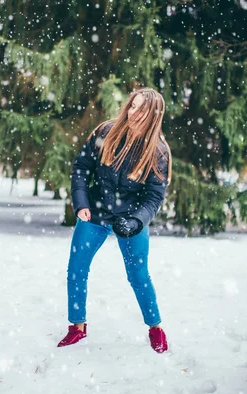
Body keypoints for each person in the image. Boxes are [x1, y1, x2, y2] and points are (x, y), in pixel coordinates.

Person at [58, 88, 172, 353]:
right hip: (95, 213)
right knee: (76, 269)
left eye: (142, 109)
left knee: (138, 275)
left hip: (130, 220)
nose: (134, 112)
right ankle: (77, 326)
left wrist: (136, 222)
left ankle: (155, 327)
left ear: (153, 116)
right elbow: (81, 168)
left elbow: (154, 196)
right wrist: (81, 202)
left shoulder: (158, 152)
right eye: (133, 106)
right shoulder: (105, 132)